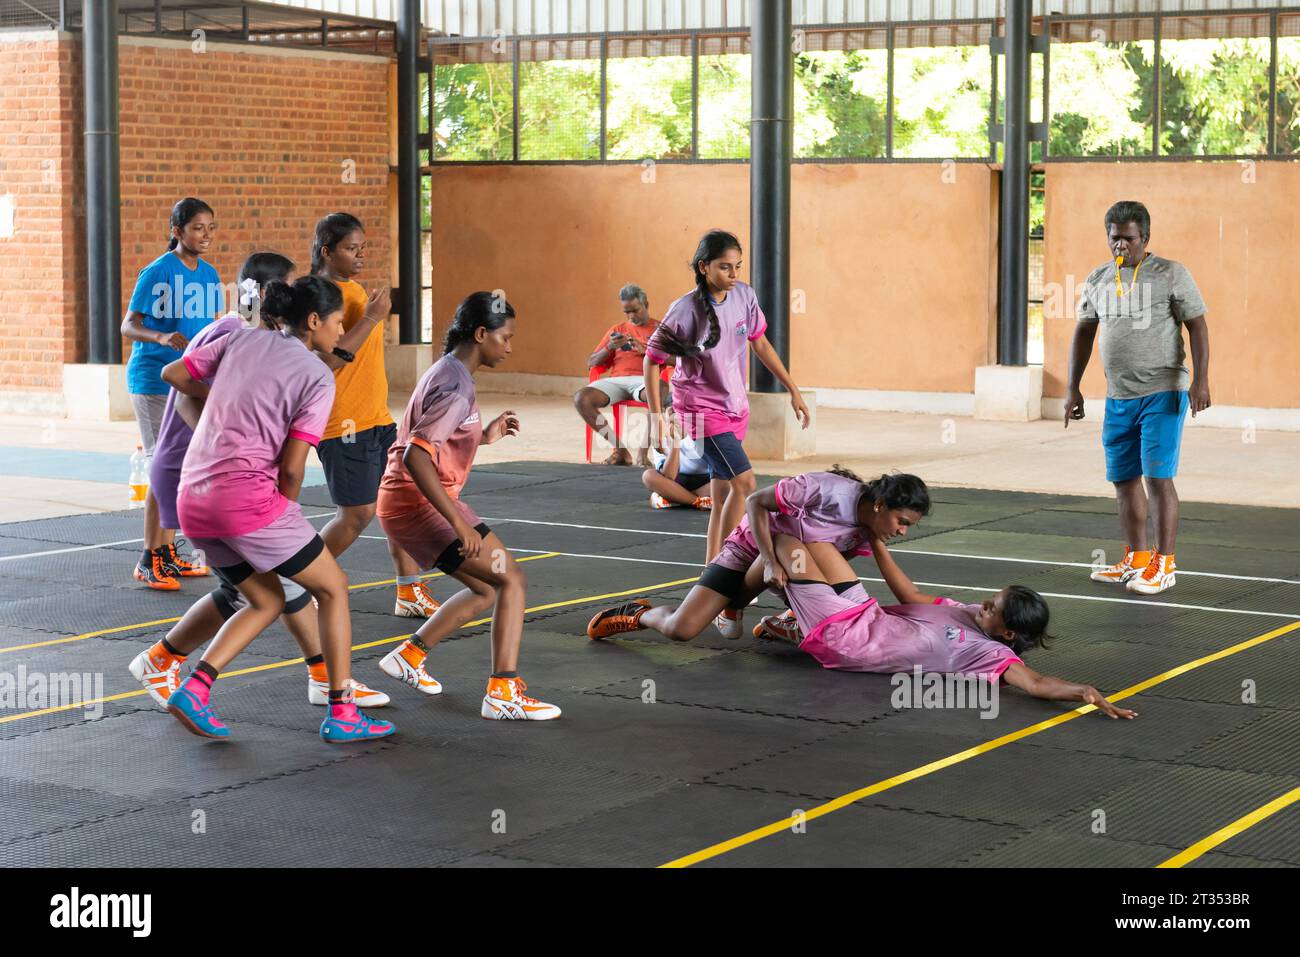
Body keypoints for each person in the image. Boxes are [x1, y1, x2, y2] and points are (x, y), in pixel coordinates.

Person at [128, 253, 388, 712]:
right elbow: (180, 383)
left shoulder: (250, 339)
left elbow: (185, 377)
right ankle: (333, 691)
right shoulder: (237, 334)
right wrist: (225, 420)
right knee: (306, 588)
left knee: (254, 594)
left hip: (202, 489)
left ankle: (166, 662)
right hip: (226, 486)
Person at [376, 292, 561, 721]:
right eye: (506, 337)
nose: (510, 346)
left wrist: (483, 435)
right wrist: (457, 525)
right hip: (419, 502)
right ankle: (503, 692)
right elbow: (415, 456)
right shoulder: (457, 386)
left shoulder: (446, 371)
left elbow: (432, 439)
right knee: (511, 581)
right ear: (481, 334)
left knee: (485, 588)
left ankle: (410, 656)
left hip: (406, 501)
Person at [587, 469, 924, 643]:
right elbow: (755, 501)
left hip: (782, 564)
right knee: (682, 629)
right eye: (902, 522)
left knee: (827, 615)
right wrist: (772, 560)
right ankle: (640, 613)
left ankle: (781, 620)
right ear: (880, 504)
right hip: (750, 547)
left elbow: (831, 572)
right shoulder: (827, 489)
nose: (902, 531)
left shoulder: (866, 531)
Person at [1065, 200, 1211, 596]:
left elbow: (1197, 327)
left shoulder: (1171, 274)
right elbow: (1083, 332)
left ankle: (1165, 565)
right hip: (1118, 397)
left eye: (1128, 239)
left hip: (1163, 392)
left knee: (1158, 477)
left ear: (1145, 237)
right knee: (1124, 479)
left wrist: (1201, 381)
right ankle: (1138, 558)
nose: (1121, 246)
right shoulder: (1097, 278)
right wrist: (1072, 386)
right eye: (1115, 238)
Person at [643, 229, 810, 565]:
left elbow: (760, 343)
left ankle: (710, 570)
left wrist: (793, 389)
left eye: (738, 267)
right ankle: (727, 567)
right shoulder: (684, 309)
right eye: (725, 267)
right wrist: (655, 416)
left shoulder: (744, 296)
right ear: (704, 267)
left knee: (721, 494)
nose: (733, 275)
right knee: (745, 483)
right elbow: (652, 360)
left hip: (736, 408)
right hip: (700, 410)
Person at [311, 213, 438, 619]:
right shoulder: (319, 295)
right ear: (327, 251)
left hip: (378, 418)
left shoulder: (353, 288)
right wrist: (371, 318)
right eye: (351, 249)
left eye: (362, 248)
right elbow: (327, 359)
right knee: (357, 514)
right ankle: (301, 579)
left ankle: (408, 590)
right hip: (342, 423)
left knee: (398, 504)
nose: (360, 255)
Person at [121, 197, 221, 589]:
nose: (206, 235)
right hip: (153, 380)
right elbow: (129, 325)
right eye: (198, 228)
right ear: (176, 231)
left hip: (188, 380)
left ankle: (167, 551)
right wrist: (161, 335)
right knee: (162, 464)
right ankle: (151, 557)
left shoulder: (210, 275)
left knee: (179, 466)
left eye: (211, 227)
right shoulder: (157, 272)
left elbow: (209, 329)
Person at [573, 283, 669, 466]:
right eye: (627, 312)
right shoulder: (617, 329)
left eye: (635, 310)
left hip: (643, 381)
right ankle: (620, 451)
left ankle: (642, 454)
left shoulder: (660, 329)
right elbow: (591, 363)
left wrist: (647, 350)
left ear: (646, 304)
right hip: (616, 382)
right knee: (581, 398)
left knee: (659, 390)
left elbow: (676, 359)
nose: (631, 316)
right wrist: (610, 347)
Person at [642, 413, 712, 511]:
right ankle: (698, 501)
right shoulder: (660, 439)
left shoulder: (700, 430)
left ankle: (673, 497)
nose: (675, 418)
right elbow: (669, 476)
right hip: (675, 482)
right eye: (670, 413)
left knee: (728, 483)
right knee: (648, 476)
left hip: (705, 481)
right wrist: (676, 442)